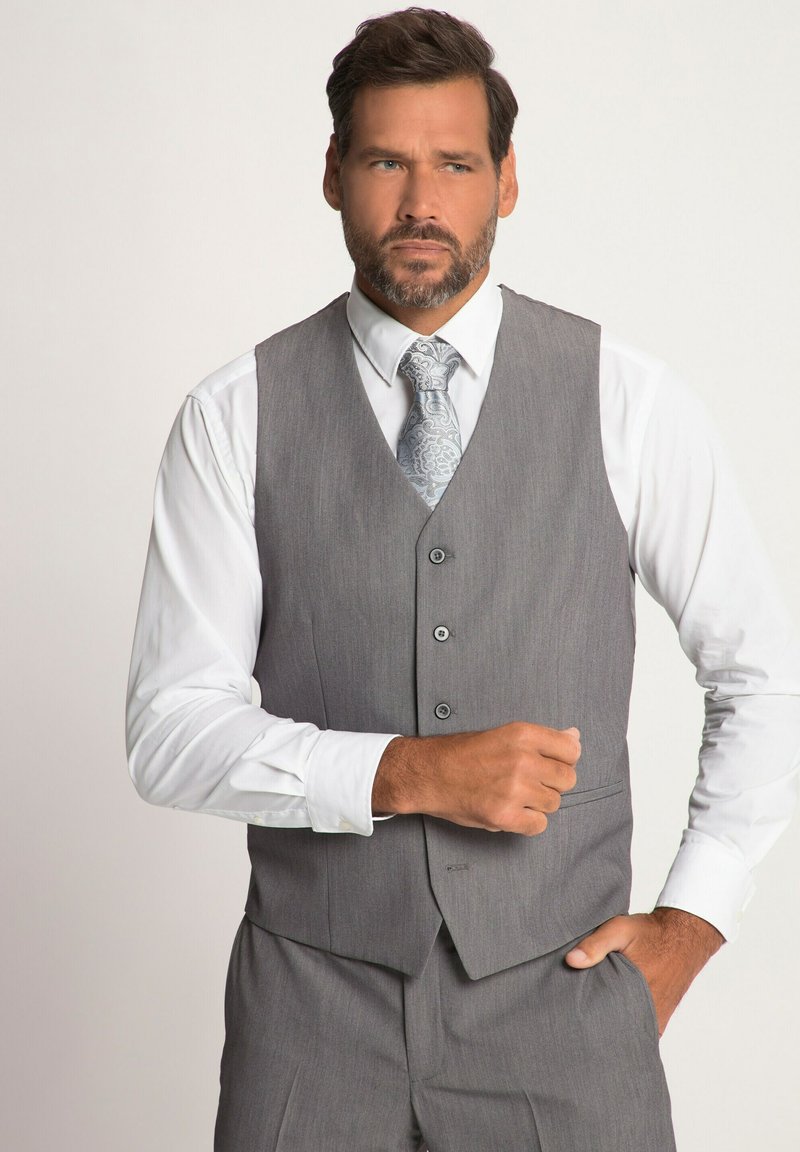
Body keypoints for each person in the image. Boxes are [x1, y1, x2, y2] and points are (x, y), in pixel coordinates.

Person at [126, 8, 800, 1150]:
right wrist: (405, 772)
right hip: (309, 1013)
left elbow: (763, 676)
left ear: (506, 181)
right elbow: (169, 730)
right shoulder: (232, 415)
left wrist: (690, 923)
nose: (420, 202)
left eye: (454, 164)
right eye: (385, 162)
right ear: (333, 175)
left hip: (564, 1002)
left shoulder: (627, 400)